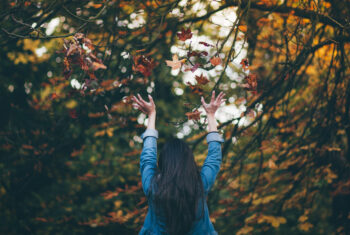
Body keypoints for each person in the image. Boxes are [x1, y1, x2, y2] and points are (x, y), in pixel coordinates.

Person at [132, 90, 226, 235]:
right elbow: (214, 157)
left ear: (163, 162)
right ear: (190, 161)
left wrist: (151, 115)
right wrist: (211, 115)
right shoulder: (200, 185)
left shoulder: (152, 187)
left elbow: (148, 157)